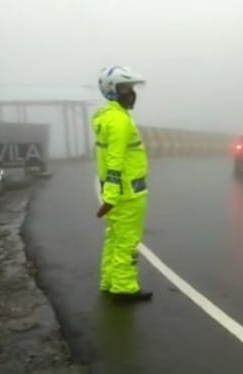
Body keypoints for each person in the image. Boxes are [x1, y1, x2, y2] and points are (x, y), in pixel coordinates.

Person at [93, 65, 153, 302]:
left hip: (120, 190)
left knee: (115, 237)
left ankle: (109, 280)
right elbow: (115, 161)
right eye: (126, 88)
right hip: (128, 192)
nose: (131, 93)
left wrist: (109, 193)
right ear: (112, 90)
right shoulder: (119, 121)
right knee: (127, 240)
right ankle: (125, 287)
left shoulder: (108, 117)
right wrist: (111, 195)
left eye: (131, 88)